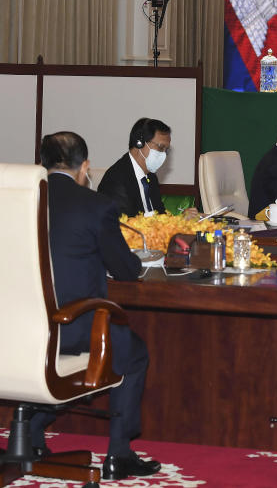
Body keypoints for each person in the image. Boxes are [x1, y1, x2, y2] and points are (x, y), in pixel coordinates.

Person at [36, 132, 161, 480]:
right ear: (84, 167)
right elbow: (125, 269)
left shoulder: (17, 201)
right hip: (70, 327)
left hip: (14, 330)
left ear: (42, 164)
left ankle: (29, 434)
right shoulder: (94, 206)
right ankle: (119, 453)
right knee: (133, 353)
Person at [98, 118, 172, 217]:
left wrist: (182, 219)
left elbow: (160, 215)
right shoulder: (115, 180)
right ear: (139, 143)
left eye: (166, 150)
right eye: (160, 147)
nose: (163, 154)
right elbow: (126, 226)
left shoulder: (151, 177)